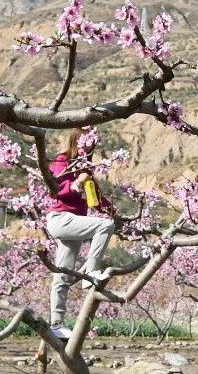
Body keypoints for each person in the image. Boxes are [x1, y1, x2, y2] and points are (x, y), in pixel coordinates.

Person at [46, 128, 115, 339]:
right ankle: (91, 273)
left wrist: (109, 208)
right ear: (77, 141)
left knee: (63, 274)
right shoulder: (62, 161)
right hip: (60, 219)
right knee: (104, 226)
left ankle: (56, 323)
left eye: (93, 145)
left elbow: (96, 196)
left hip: (73, 223)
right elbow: (58, 191)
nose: (90, 148)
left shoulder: (86, 169)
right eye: (87, 143)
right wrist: (77, 182)